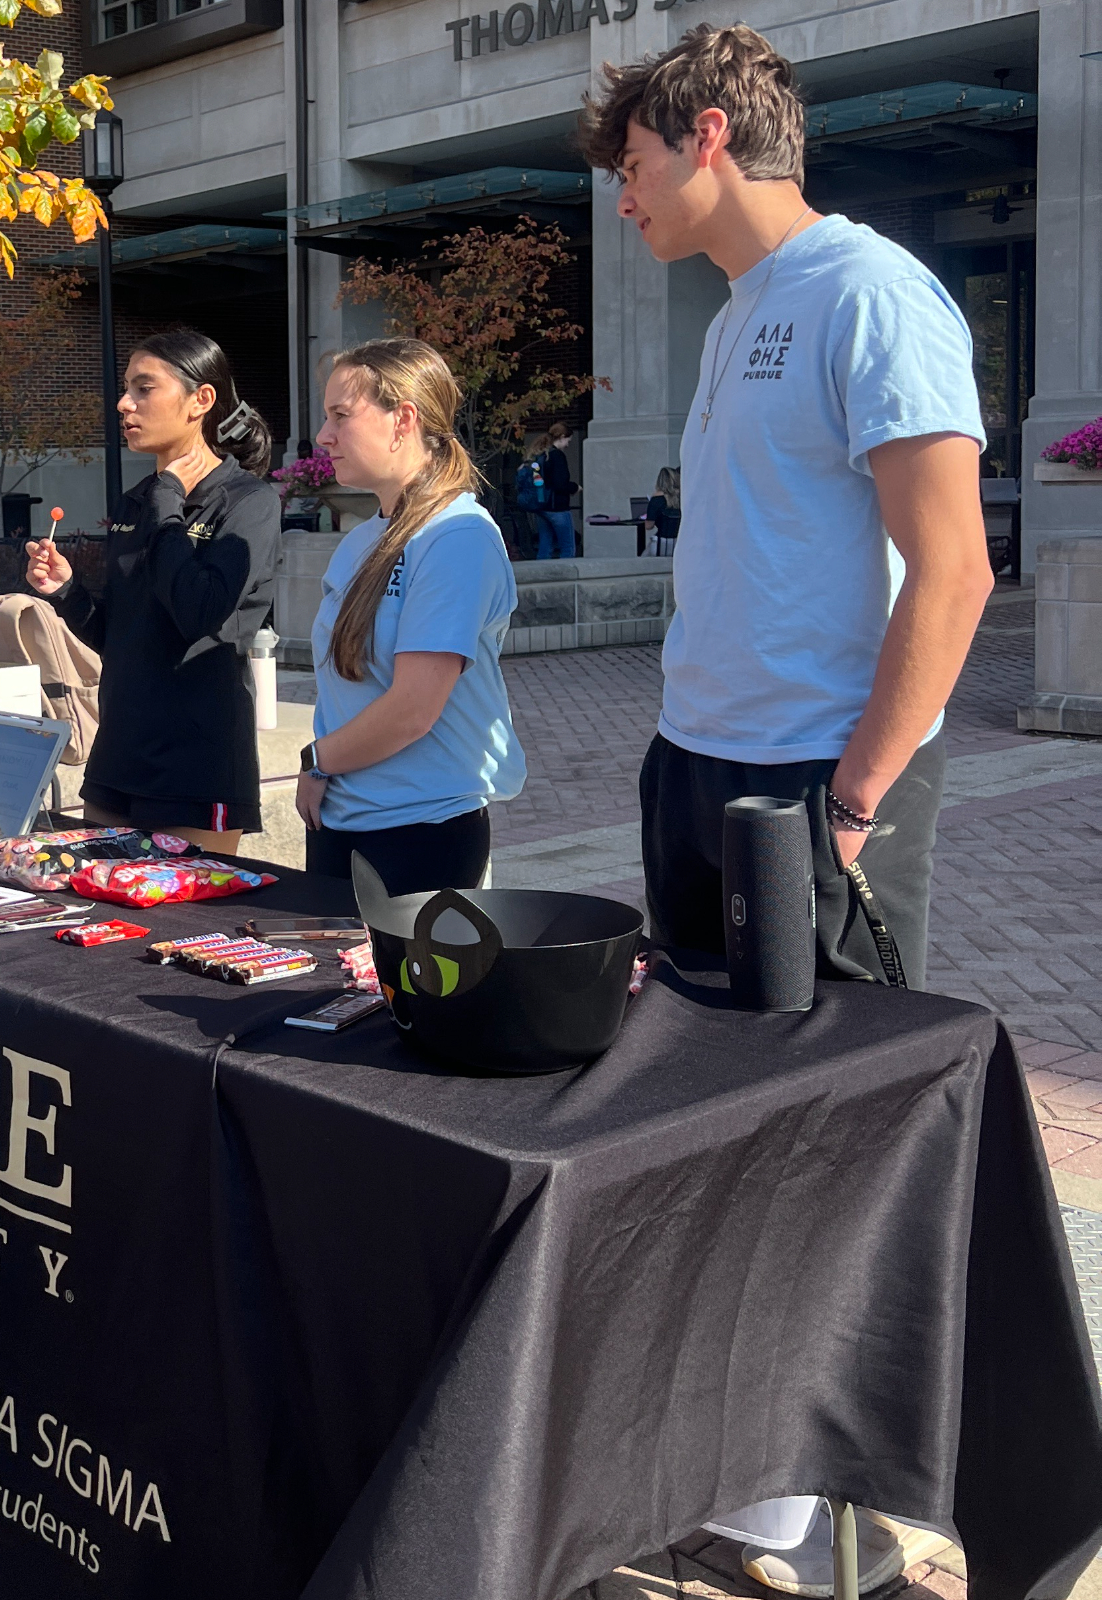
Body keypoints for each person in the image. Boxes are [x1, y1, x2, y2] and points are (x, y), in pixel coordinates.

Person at [579, 22, 993, 1595]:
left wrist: (859, 798)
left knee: (827, 1144)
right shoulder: (744, 310)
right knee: (712, 1128)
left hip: (814, 783)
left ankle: (864, 1530)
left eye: (629, 170)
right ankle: (748, 1511)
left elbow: (953, 571)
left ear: (701, 137)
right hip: (700, 762)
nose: (622, 204)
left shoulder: (871, 292)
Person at [22, 328, 280, 854]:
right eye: (126, 388)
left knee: (181, 926)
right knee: (98, 911)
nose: (124, 403)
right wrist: (68, 591)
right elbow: (119, 635)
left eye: (144, 389)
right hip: (119, 753)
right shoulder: (137, 500)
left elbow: (198, 613)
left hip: (196, 760)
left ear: (200, 400)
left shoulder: (247, 501)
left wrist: (169, 499)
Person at [295, 339, 526, 892]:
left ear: (404, 420)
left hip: (421, 830)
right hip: (342, 818)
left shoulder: (457, 536)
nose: (324, 436)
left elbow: (413, 709)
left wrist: (318, 758)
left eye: (341, 416)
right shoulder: (363, 540)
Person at [531, 421, 580, 559]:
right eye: (568, 440)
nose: (568, 444)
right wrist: (575, 487)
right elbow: (560, 484)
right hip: (557, 507)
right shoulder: (557, 456)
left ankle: (540, 577)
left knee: (545, 548)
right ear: (562, 436)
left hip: (542, 505)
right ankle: (567, 579)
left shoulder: (541, 455)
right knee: (568, 547)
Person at [647, 464, 681, 553]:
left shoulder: (656, 500)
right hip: (680, 541)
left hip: (663, 541)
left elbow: (648, 526)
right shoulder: (682, 498)